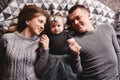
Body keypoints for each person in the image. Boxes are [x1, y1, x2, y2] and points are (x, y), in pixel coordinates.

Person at [68, 5, 120, 80]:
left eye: (78, 18)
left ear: (88, 15)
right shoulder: (74, 41)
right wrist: (75, 55)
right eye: (72, 21)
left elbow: (118, 52)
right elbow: (77, 71)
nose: (75, 22)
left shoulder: (107, 28)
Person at [0, 4, 49, 80]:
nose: (42, 26)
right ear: (28, 21)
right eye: (40, 21)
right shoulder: (7, 38)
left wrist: (45, 49)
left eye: (44, 24)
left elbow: (38, 71)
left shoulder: (39, 42)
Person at [36, 13, 82, 80]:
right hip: (51, 58)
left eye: (59, 26)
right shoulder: (48, 34)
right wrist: (43, 36)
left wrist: (71, 41)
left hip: (65, 58)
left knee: (66, 75)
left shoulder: (66, 34)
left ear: (63, 26)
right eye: (53, 26)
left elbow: (71, 39)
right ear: (49, 27)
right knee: (50, 75)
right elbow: (43, 37)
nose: (56, 28)